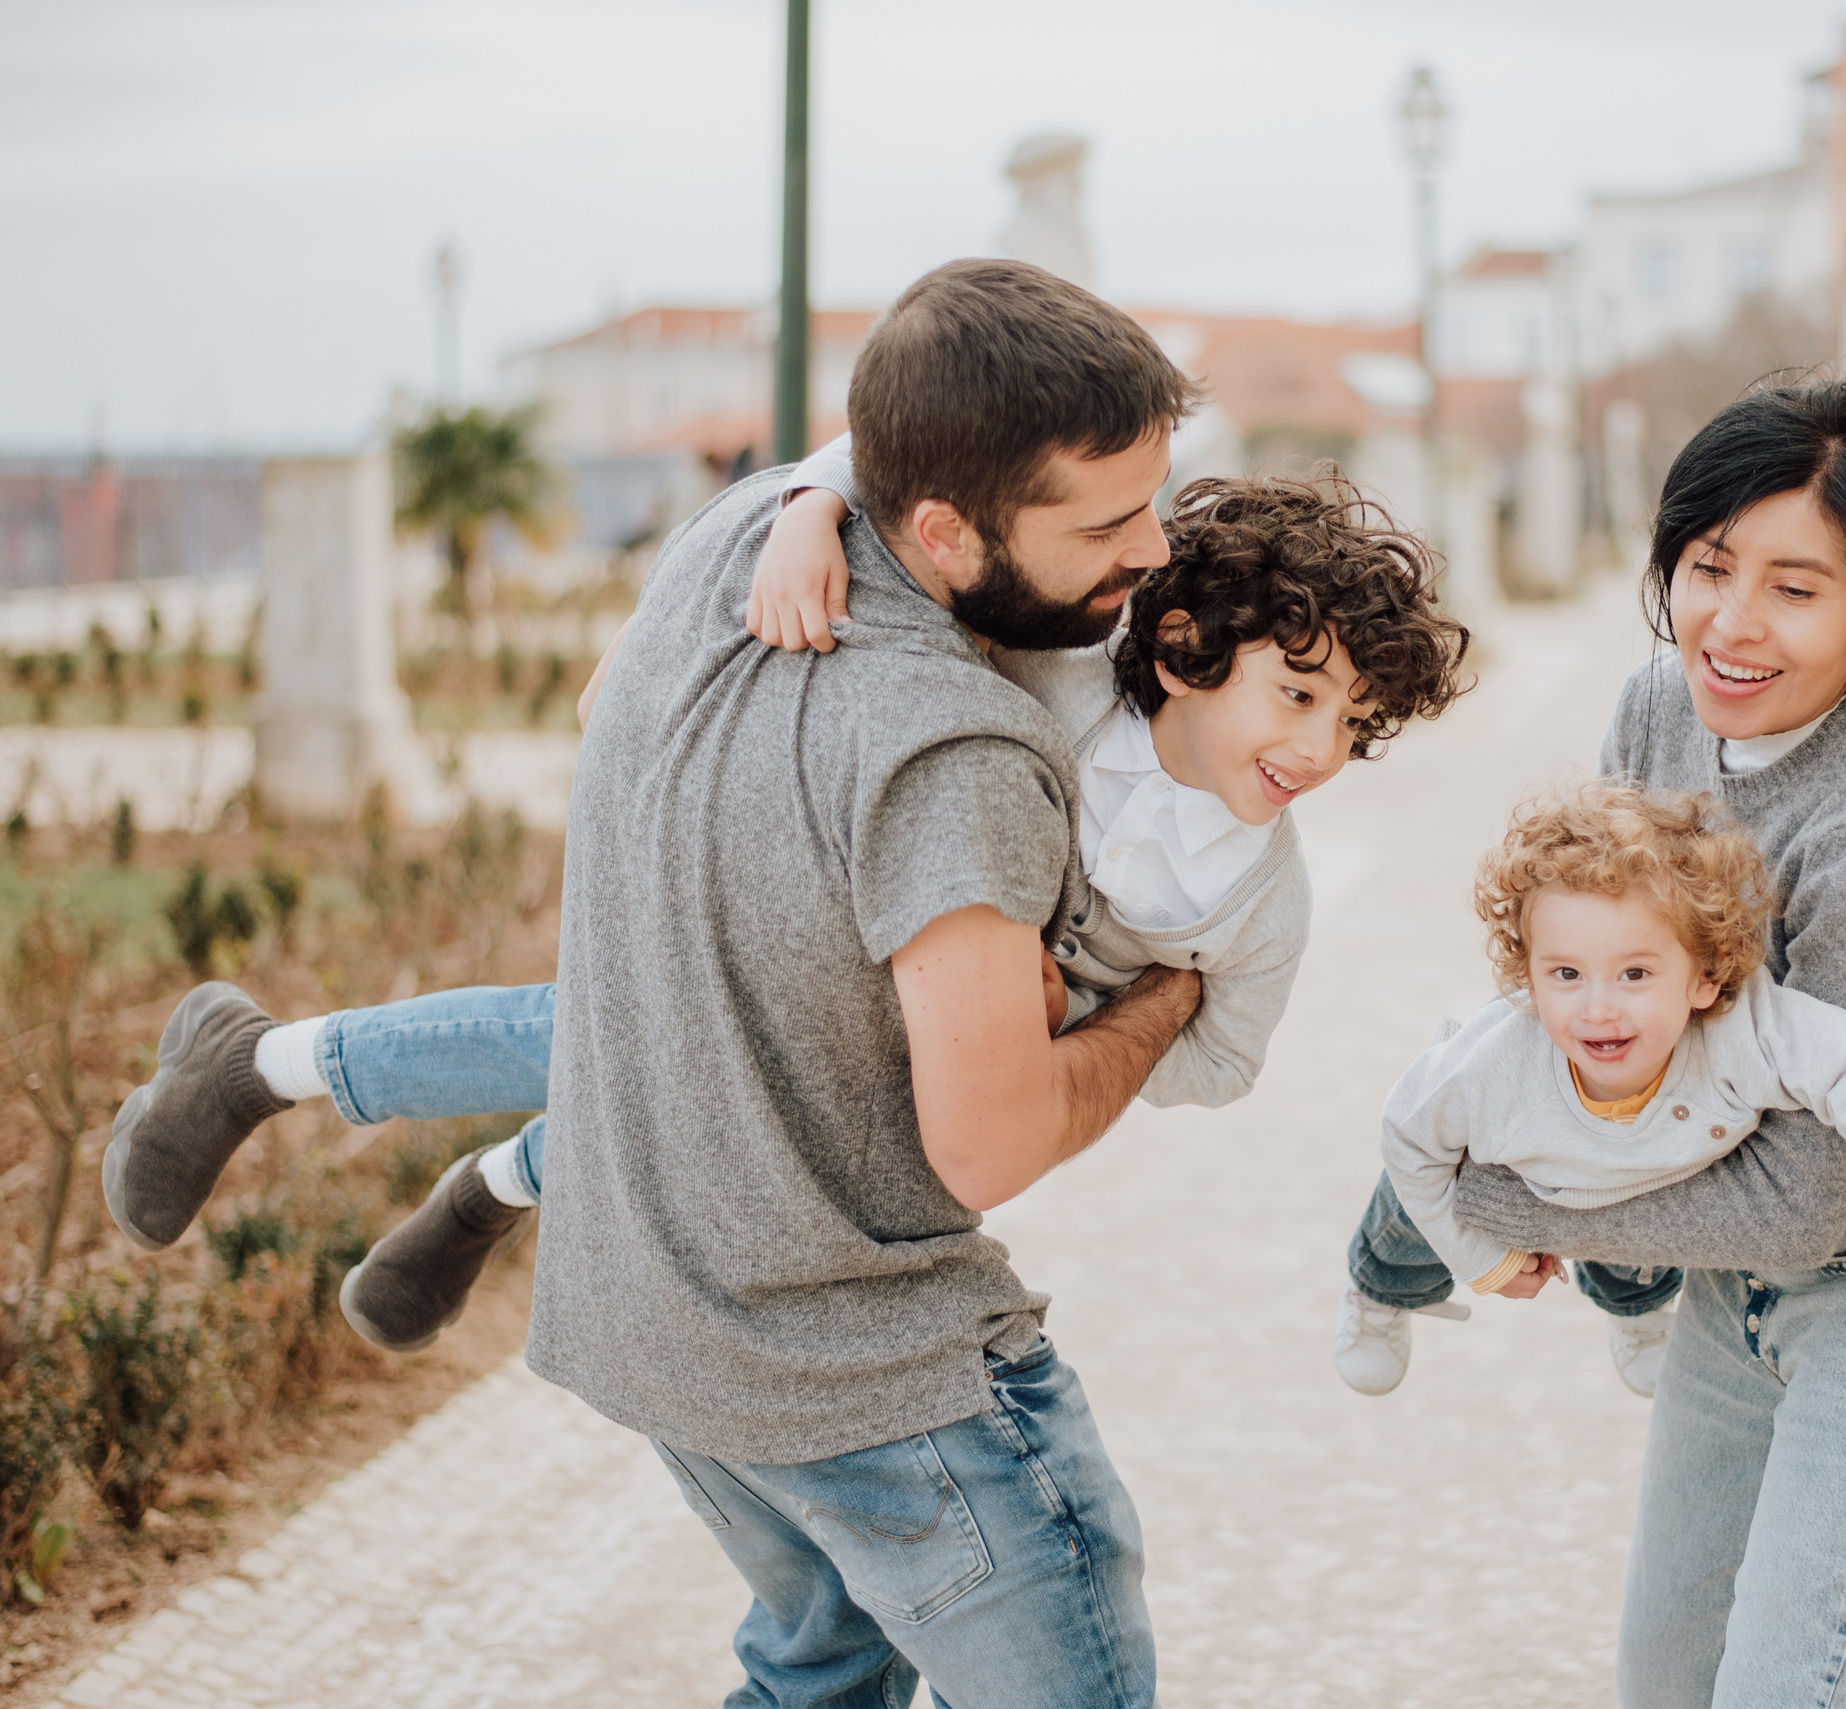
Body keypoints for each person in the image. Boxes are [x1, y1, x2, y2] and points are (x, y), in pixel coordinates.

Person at [102, 466, 1466, 1358]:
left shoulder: (1259, 897)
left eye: (1354, 722)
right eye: (1298, 695)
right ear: (1182, 650)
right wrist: (811, 510)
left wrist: (1091, 1021)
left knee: (725, 1119)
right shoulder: (1062, 668)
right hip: (835, 926)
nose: (1319, 749)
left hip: (946, 1066)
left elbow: (1223, 1066)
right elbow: (921, 481)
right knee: (621, 1027)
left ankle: (495, 1184)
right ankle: (270, 1062)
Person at [1441, 378, 1846, 1706]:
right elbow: (1596, 975)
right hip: (1736, 1270)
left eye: (1795, 587)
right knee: (1667, 1680)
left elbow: (1801, 1197)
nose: (1730, 622)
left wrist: (1487, 1197)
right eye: (1710, 566)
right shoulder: (1656, 709)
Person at [1333, 783, 1846, 1398]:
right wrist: (1479, 1260)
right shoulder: (1490, 1069)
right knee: (1415, 1217)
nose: (1598, 1009)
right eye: (1566, 973)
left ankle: (1637, 1307)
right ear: (1527, 976)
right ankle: (1379, 1289)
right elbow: (1407, 1138)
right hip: (1520, 1159)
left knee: (1643, 1229)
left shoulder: (1742, 1031)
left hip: (1651, 1167)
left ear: (1705, 977)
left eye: (1635, 973)